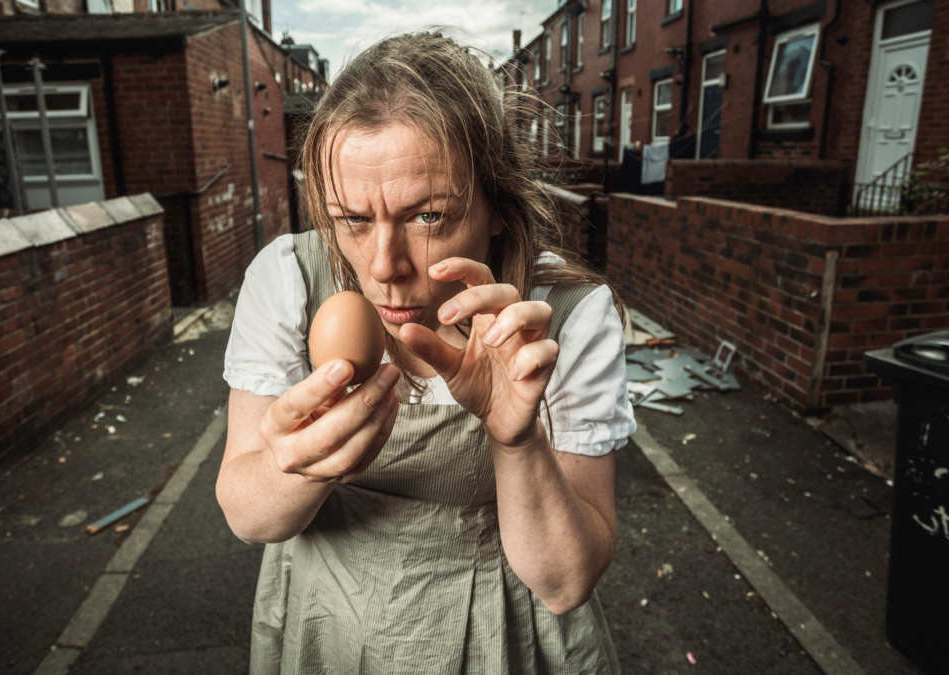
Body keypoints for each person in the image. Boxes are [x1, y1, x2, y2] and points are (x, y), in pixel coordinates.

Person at [216, 31, 637, 674]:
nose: (383, 267)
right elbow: (247, 518)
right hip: (328, 624)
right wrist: (293, 465)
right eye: (352, 219)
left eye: (429, 217)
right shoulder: (288, 279)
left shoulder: (563, 319)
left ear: (497, 206)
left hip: (504, 636)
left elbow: (565, 583)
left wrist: (516, 441)